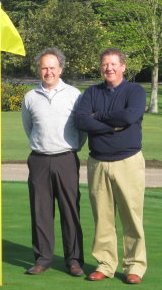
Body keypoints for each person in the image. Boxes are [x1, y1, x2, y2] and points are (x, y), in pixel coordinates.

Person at [75, 48, 147, 284]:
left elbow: (128, 118)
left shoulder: (135, 91)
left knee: (131, 217)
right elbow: (82, 120)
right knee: (103, 218)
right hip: (98, 163)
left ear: (123, 67)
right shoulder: (92, 92)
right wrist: (109, 125)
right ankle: (105, 265)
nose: (109, 68)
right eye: (105, 64)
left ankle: (134, 266)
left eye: (114, 64)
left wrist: (98, 117)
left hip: (128, 162)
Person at [21, 48, 86, 277]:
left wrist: (72, 147)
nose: (48, 72)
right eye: (44, 67)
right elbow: (29, 128)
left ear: (61, 68)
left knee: (70, 211)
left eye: (52, 67)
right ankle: (42, 258)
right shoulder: (30, 97)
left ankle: (74, 260)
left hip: (66, 159)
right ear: (39, 70)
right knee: (40, 212)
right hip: (39, 160)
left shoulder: (74, 94)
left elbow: (81, 129)